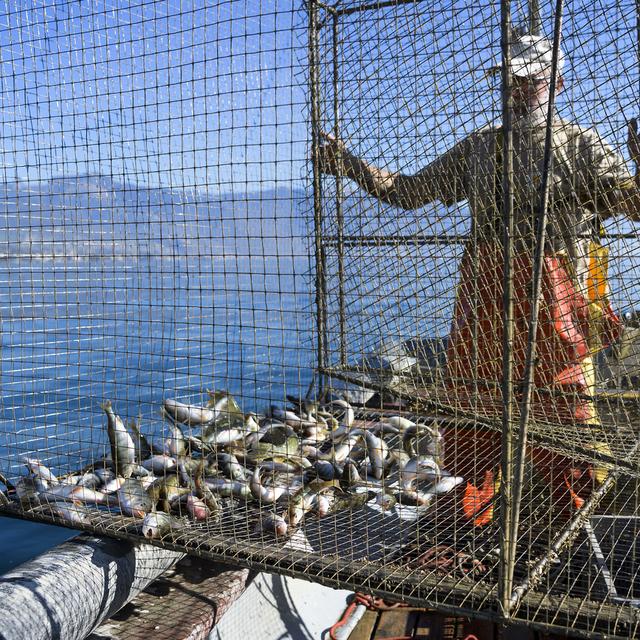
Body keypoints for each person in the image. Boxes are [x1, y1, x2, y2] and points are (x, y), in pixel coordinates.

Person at [318, 34, 640, 522]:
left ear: (555, 83)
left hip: (555, 309)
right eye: (508, 80)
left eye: (526, 81)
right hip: (483, 304)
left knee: (565, 417)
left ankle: (571, 525)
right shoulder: (480, 147)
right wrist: (349, 165)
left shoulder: (581, 146)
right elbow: (408, 192)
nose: (514, 90)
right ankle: (470, 522)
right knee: (472, 416)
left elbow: (630, 204)